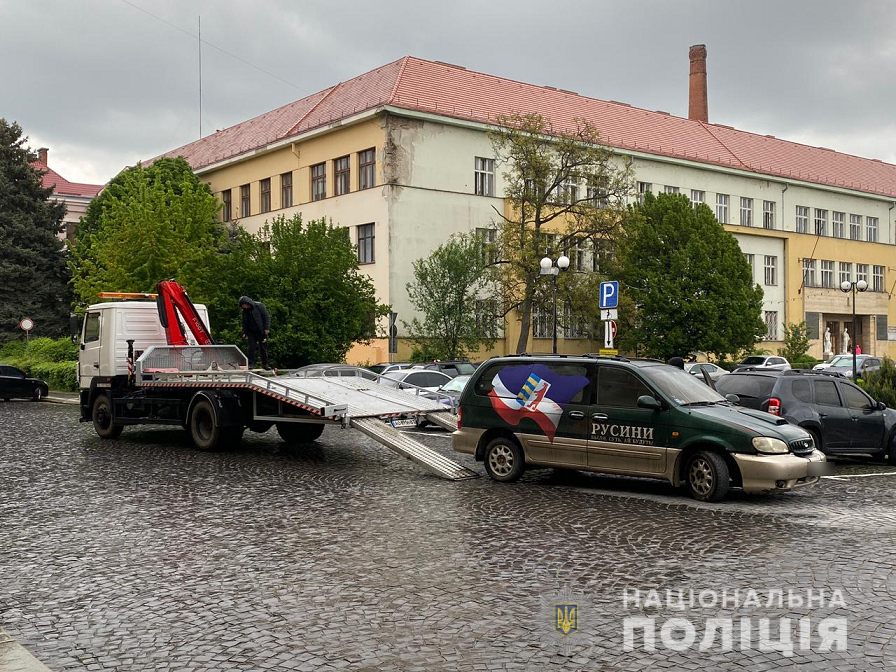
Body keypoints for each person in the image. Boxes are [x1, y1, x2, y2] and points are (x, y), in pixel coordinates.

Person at [239, 296, 271, 369]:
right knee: (251, 348)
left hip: (261, 330)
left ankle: (265, 364)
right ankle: (251, 364)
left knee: (263, 348)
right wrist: (244, 332)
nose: (243, 307)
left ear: (247, 303)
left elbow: (266, 317)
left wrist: (266, 328)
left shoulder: (259, 306)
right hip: (251, 332)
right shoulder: (245, 311)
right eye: (242, 306)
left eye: (244, 305)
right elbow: (244, 322)